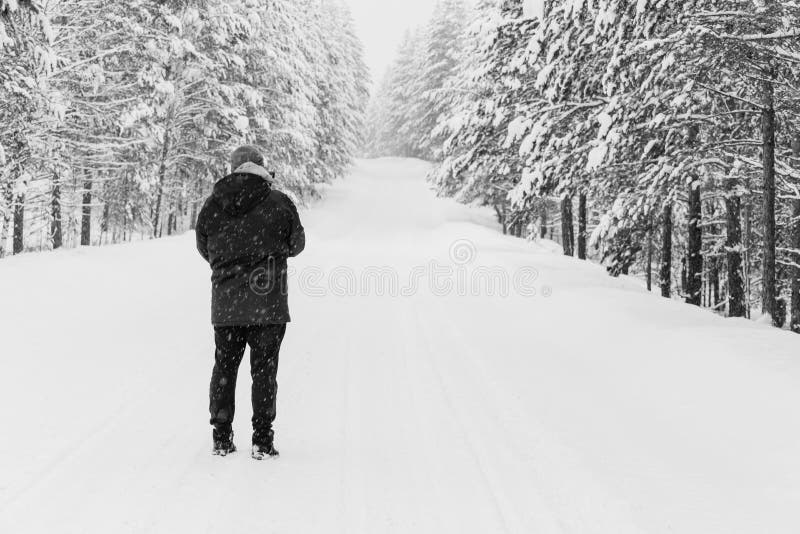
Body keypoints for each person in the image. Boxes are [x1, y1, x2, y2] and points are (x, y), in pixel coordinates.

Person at [196, 145, 305, 460]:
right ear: (261, 167)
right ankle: (262, 440)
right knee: (264, 372)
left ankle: (221, 437)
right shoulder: (279, 203)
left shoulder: (213, 205)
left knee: (225, 368)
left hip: (227, 305)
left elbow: (204, 247)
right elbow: (297, 244)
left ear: (233, 168)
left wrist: (227, 269)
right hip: (267, 304)